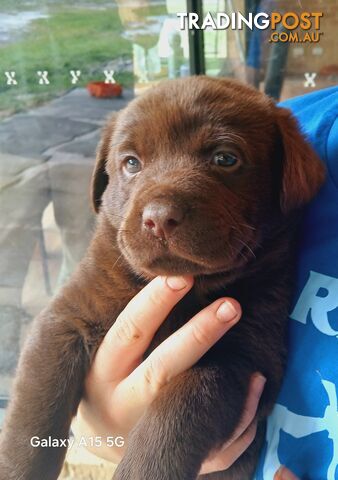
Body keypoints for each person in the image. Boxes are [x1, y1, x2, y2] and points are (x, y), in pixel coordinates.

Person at [74, 86, 338, 479]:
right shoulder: (295, 126)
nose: (159, 213)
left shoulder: (277, 142)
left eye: (225, 159)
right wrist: (102, 431)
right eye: (132, 163)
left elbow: (238, 367)